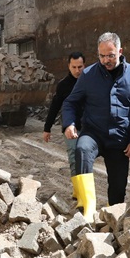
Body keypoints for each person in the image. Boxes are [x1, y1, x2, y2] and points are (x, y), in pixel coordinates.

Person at [62, 32, 130, 223]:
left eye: (110, 55)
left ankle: (113, 217)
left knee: (118, 186)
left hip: (120, 138)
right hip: (93, 133)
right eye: (101, 56)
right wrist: (69, 123)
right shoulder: (88, 75)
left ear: (120, 51)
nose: (106, 60)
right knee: (82, 149)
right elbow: (71, 103)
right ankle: (87, 210)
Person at [43, 52, 86, 204]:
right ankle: (78, 192)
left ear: (84, 66)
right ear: (68, 66)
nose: (77, 70)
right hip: (70, 128)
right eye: (74, 67)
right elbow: (55, 107)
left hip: (89, 127)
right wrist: (47, 128)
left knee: (86, 159)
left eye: (80, 67)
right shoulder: (63, 85)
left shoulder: (90, 81)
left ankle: (84, 189)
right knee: (74, 158)